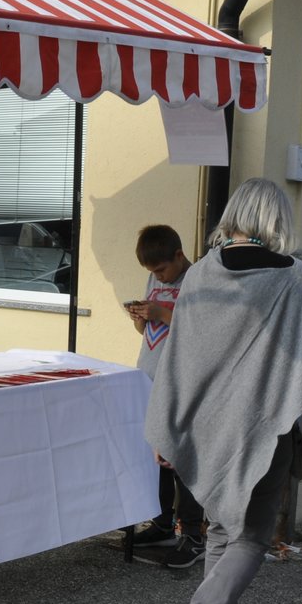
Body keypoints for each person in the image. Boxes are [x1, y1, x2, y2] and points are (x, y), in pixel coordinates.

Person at [145, 178, 302, 604]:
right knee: (252, 536)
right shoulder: (293, 276)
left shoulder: (200, 274)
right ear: (275, 220)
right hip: (264, 426)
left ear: (233, 215)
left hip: (207, 426)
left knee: (218, 530)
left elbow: (178, 363)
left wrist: (170, 426)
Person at [124, 224, 208, 568]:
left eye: (161, 270)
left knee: (182, 459)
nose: (158, 277)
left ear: (179, 255)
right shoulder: (156, 280)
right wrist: (140, 318)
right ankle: (160, 523)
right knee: (155, 454)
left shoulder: (199, 279)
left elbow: (203, 329)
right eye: (152, 273)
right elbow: (147, 330)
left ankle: (192, 533)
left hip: (182, 381)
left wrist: (162, 313)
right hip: (151, 374)